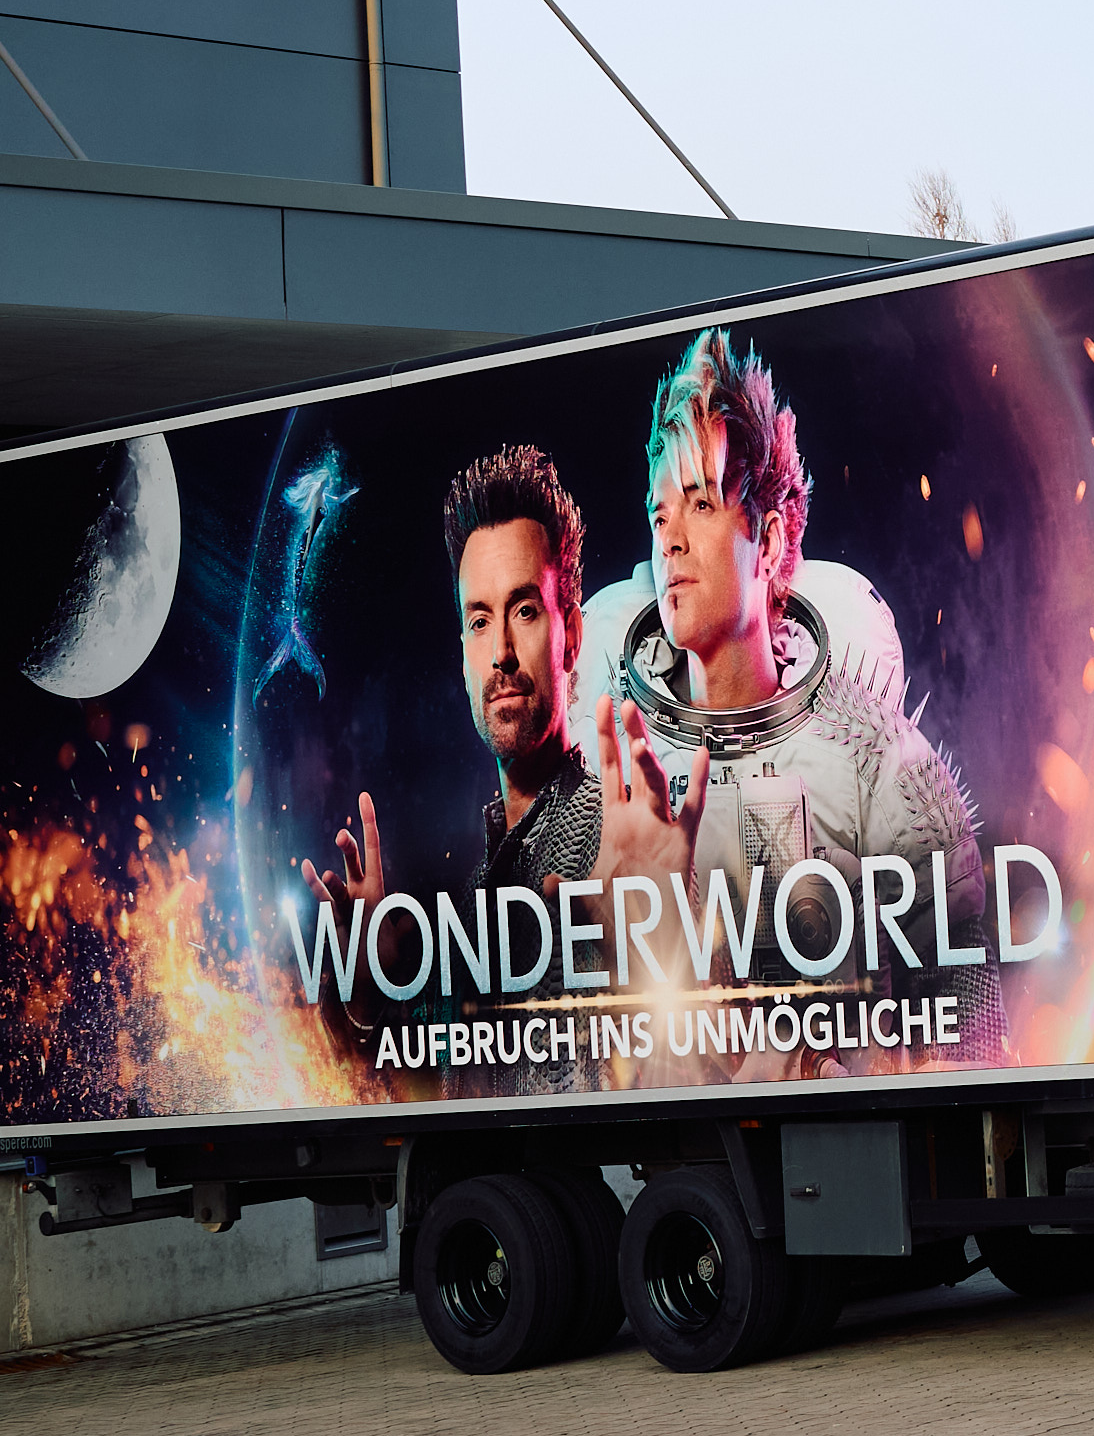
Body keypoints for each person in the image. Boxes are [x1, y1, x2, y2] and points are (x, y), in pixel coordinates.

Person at [573, 328, 993, 1046]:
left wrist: (866, 1075)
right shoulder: (605, 781)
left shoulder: (878, 763)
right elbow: (555, 1043)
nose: (669, 539)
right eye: (659, 513)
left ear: (766, 542)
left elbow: (974, 1026)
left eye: (700, 505)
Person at [300, 444, 606, 932]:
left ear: (570, 637)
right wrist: (379, 976)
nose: (501, 651)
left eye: (524, 611)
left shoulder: (618, 841)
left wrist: (666, 927)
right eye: (480, 621)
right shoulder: (475, 895)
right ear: (464, 659)